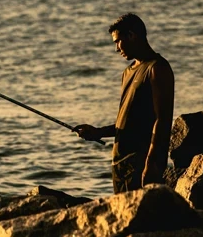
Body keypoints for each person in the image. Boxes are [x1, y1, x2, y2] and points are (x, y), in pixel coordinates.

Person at [74, 13, 175, 194]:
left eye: (117, 41)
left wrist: (151, 163)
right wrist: (99, 132)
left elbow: (163, 120)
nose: (116, 48)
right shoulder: (127, 72)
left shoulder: (157, 68)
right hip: (121, 165)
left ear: (132, 35)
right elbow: (129, 121)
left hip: (141, 163)